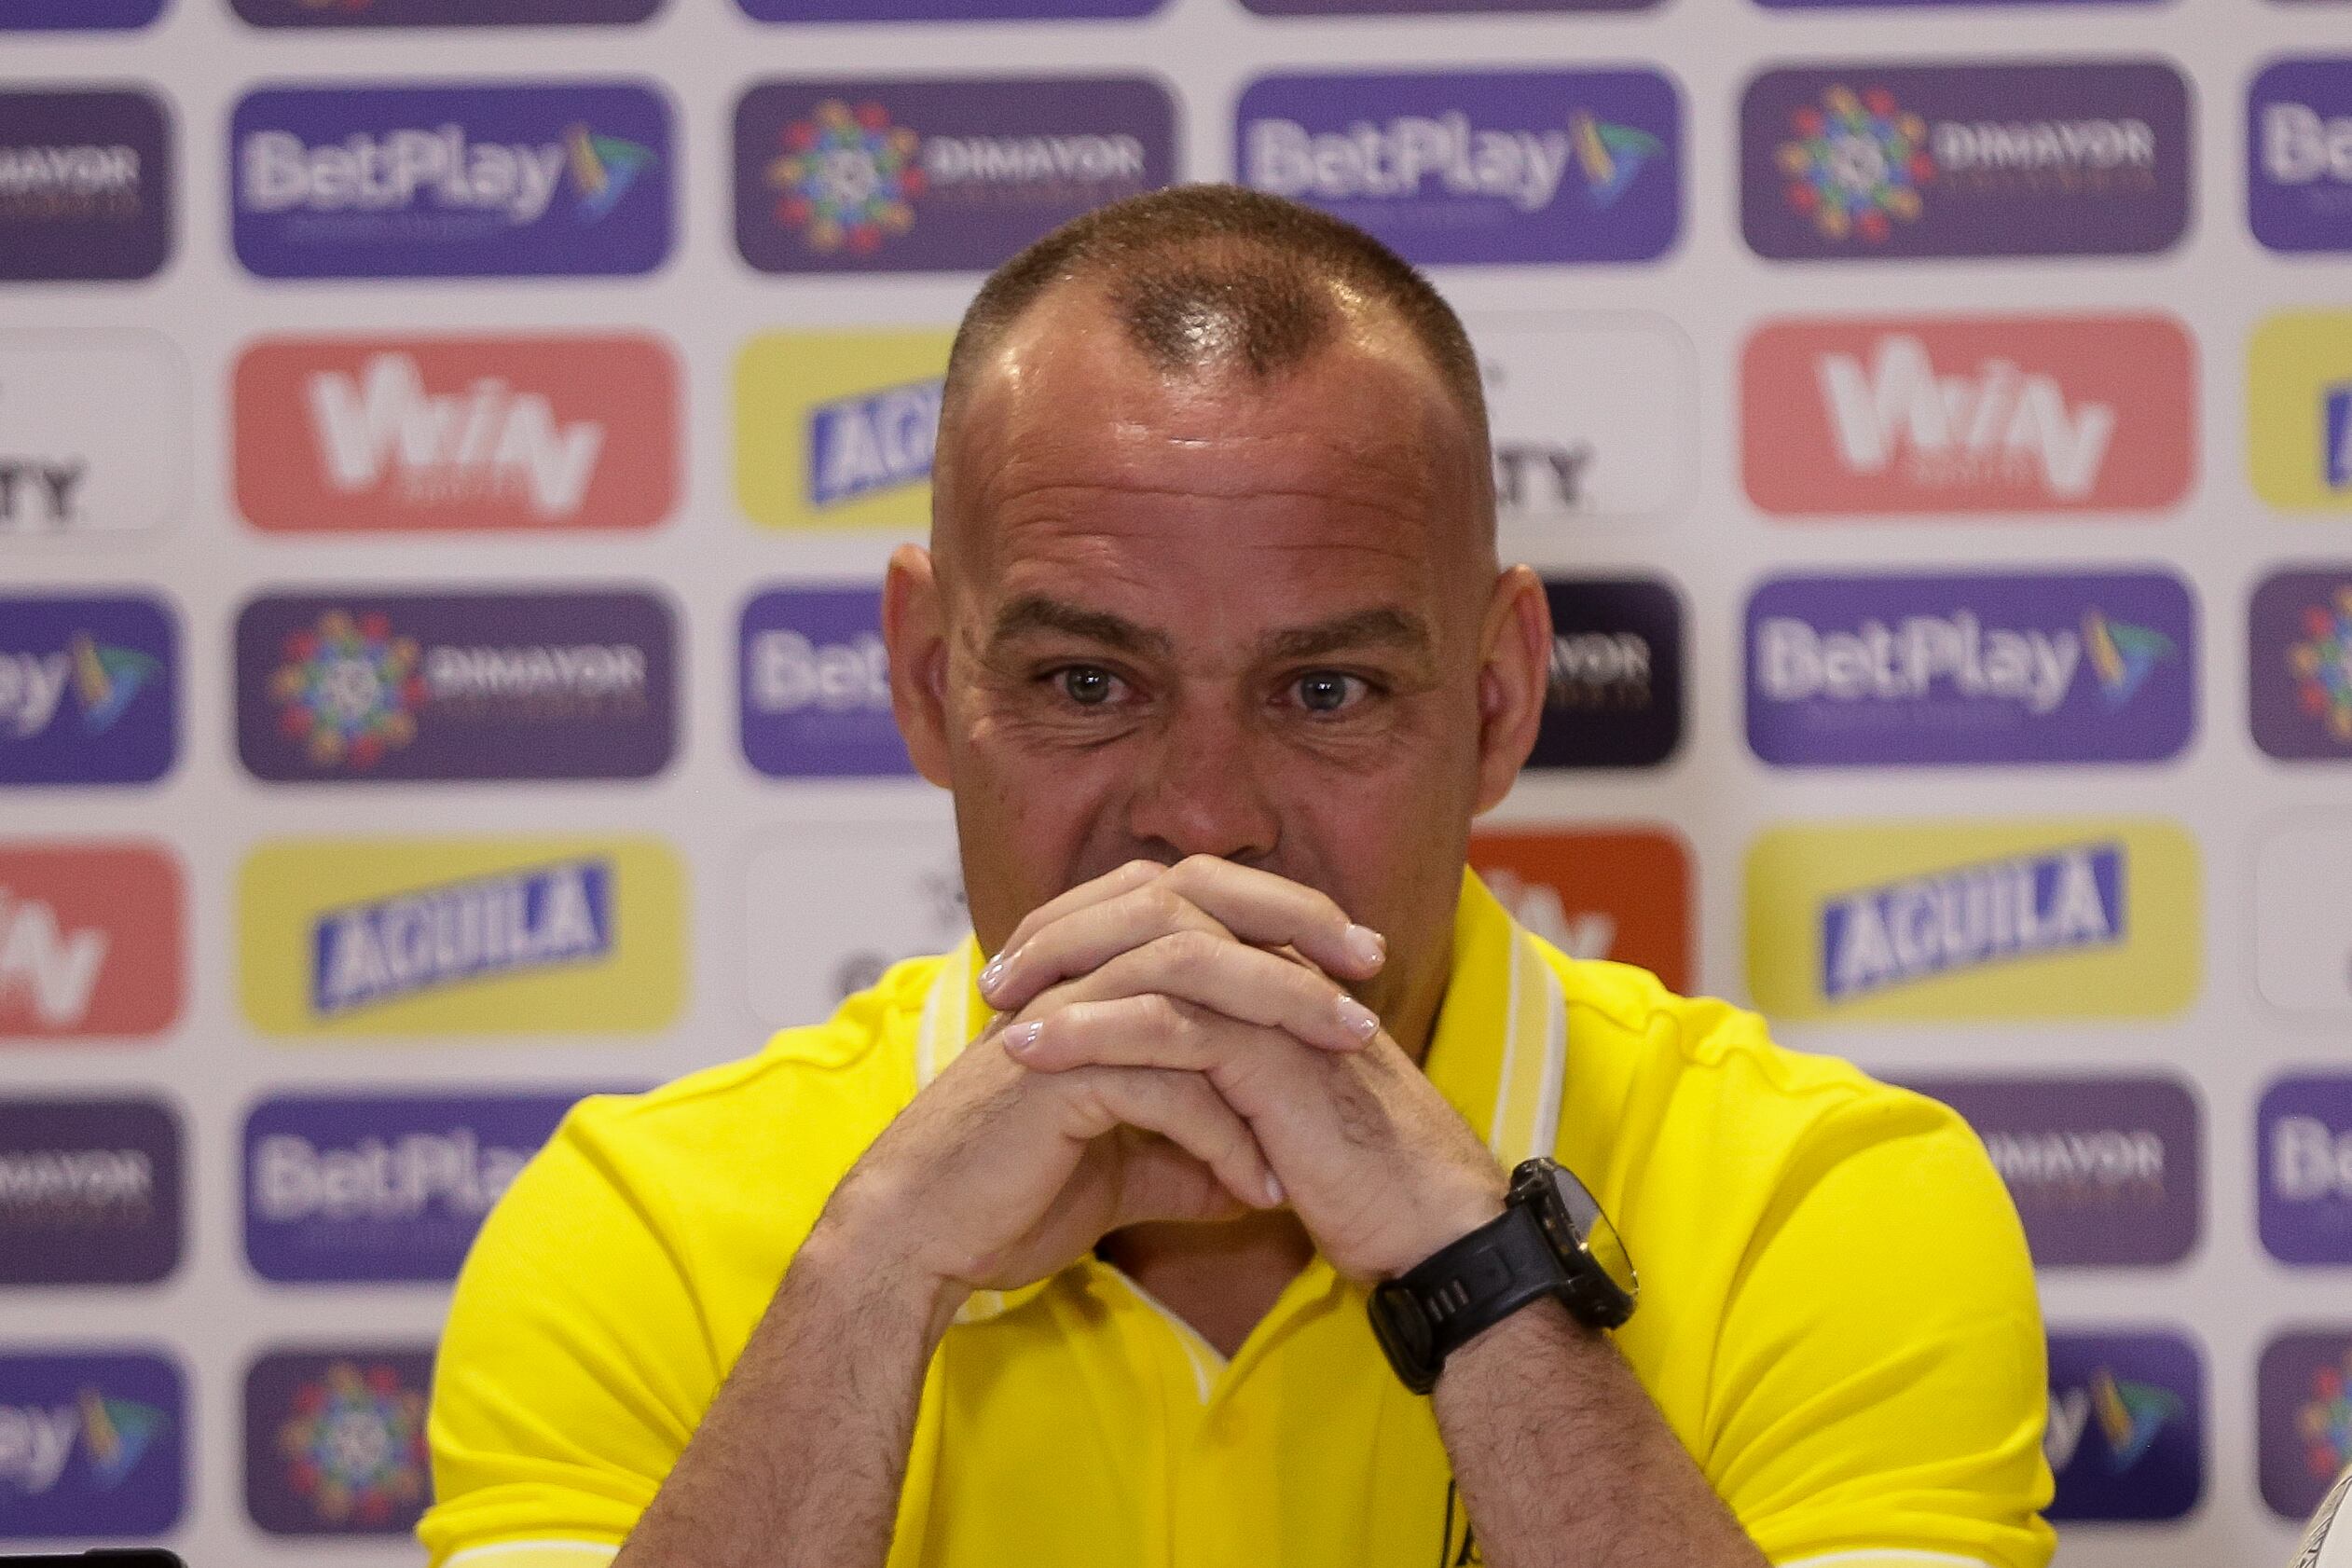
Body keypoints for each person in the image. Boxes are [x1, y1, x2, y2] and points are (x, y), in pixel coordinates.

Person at [417, 185, 2054, 1568]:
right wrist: (874, 1279)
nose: (1204, 821)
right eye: (1084, 684)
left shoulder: (1822, 1198)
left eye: (1325, 692)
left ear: (1498, 699)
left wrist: (1480, 1275)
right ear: (928, 679)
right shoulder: (640, 1223)